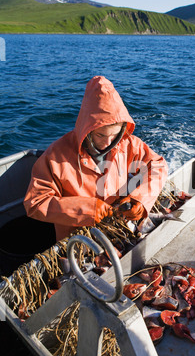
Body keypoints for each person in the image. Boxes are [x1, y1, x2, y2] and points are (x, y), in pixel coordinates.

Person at [24, 76, 168, 242]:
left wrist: (140, 200)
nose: (107, 142)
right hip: (76, 241)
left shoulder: (128, 144)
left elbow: (158, 165)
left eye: (114, 135)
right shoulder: (55, 156)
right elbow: (35, 203)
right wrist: (87, 210)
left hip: (118, 232)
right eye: (100, 135)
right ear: (87, 128)